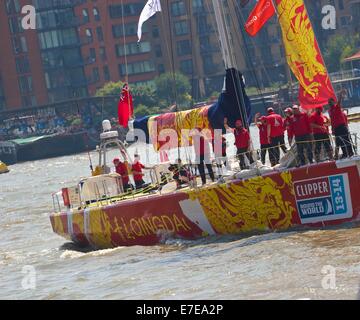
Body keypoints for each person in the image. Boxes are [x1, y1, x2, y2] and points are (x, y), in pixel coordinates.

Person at [328, 90, 354, 158]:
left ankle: (350, 152)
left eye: (331, 102)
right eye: (329, 102)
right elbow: (332, 120)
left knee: (346, 139)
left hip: (342, 126)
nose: (330, 103)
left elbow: (339, 101)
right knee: (339, 141)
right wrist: (332, 129)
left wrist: (340, 95)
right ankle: (345, 154)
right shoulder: (330, 111)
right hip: (336, 128)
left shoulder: (337, 107)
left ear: (333, 102)